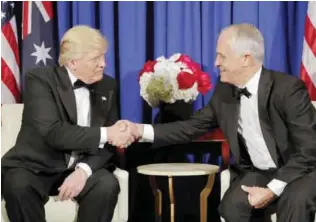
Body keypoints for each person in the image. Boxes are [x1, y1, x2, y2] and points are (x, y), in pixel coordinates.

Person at [112, 23, 316, 222]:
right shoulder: (224, 92)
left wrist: (272, 190)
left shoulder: (287, 89)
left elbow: (308, 150)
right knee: (231, 207)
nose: (216, 62)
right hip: (260, 172)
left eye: (222, 56)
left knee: (295, 200)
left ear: (245, 59)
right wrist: (139, 130)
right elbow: (190, 128)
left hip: (302, 169)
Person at [1, 25, 136, 222]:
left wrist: (83, 171)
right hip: (36, 167)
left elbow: (109, 145)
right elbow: (53, 132)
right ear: (72, 63)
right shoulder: (40, 80)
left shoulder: (108, 85)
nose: (103, 64)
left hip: (82, 165)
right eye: (95, 59)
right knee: (18, 185)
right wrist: (107, 133)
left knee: (106, 185)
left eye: (103, 57)